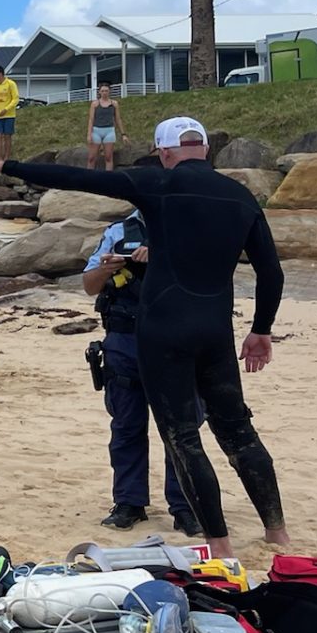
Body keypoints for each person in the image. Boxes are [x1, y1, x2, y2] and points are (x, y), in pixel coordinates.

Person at [0, 116, 288, 557]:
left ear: (166, 152)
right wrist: (261, 330)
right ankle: (277, 533)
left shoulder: (158, 184)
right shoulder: (240, 195)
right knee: (239, 432)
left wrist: (4, 167)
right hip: (216, 331)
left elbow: (80, 178)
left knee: (182, 438)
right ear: (204, 149)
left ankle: (221, 544)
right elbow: (271, 271)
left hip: (162, 330)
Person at [82, 212, 200, 534]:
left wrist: (159, 258)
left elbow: (205, 278)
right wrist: (107, 269)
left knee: (179, 430)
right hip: (123, 341)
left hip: (173, 342)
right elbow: (89, 285)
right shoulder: (117, 232)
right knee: (126, 426)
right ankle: (129, 503)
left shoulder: (188, 227)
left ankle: (185, 506)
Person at [88, 82, 127, 171]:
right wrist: (89, 134)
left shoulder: (114, 104)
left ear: (109, 91)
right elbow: (91, 119)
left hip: (109, 131)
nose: (104, 93)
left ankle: (108, 177)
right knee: (92, 157)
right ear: (99, 92)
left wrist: (123, 134)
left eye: (106, 91)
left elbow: (118, 119)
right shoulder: (95, 104)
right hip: (96, 130)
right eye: (102, 91)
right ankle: (88, 176)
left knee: (109, 157)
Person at [0, 66, 19, 161]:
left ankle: (7, 156)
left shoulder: (10, 84)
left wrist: (6, 109)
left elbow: (15, 99)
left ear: (0, 74)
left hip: (9, 115)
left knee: (7, 136)